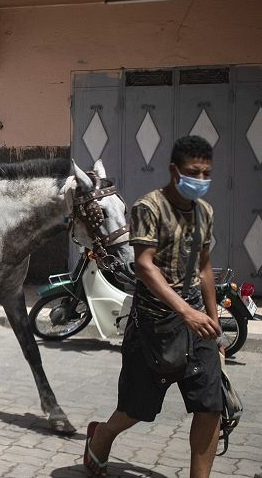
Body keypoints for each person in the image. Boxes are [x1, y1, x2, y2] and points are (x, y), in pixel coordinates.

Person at [85, 135, 223, 478]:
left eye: (207, 174)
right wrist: (185, 312)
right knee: (136, 409)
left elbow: (204, 265)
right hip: (154, 327)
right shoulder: (149, 207)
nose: (201, 180)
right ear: (174, 170)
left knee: (210, 407)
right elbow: (145, 266)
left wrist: (213, 320)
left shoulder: (204, 212)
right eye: (194, 172)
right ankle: (101, 436)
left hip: (196, 325)